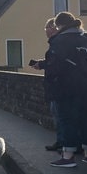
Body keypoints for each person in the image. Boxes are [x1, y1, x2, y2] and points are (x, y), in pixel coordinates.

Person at [44, 11, 87, 167]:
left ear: (59, 26)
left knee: (67, 120)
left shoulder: (60, 41)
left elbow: (54, 66)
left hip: (68, 87)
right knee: (86, 118)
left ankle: (68, 156)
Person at [30, 17, 62, 151]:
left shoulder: (58, 43)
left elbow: (55, 63)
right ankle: (64, 143)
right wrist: (42, 63)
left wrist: (42, 64)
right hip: (57, 85)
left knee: (60, 116)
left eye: (47, 28)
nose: (45, 31)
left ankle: (63, 143)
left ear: (53, 28)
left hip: (58, 86)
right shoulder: (58, 43)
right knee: (60, 116)